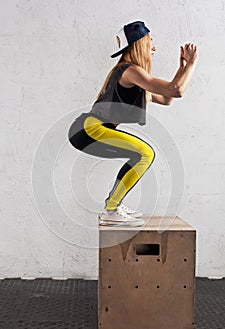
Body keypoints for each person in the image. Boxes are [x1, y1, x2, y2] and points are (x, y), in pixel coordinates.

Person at [68, 20, 198, 227]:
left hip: (87, 130)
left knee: (140, 154)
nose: (153, 47)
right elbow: (177, 90)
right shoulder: (130, 71)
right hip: (89, 128)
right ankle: (112, 208)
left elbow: (167, 98)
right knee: (145, 153)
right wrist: (191, 64)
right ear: (138, 45)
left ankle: (114, 205)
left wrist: (181, 68)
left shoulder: (135, 77)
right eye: (150, 42)